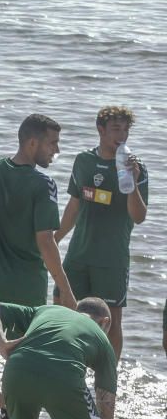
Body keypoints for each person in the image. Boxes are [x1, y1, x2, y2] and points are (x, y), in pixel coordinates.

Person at [0, 114, 76, 419]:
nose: (56, 150)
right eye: (52, 143)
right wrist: (66, 290)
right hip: (27, 283)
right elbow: (46, 241)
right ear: (33, 142)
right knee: (20, 356)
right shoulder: (43, 184)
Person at [55, 106, 149, 361]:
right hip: (79, 253)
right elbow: (73, 206)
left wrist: (131, 182)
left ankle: (107, 381)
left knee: (111, 320)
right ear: (101, 129)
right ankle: (64, 368)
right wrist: (54, 241)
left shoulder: (136, 166)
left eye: (126, 130)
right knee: (62, 310)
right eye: (116, 129)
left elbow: (139, 217)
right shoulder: (84, 161)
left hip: (112, 258)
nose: (122, 135)